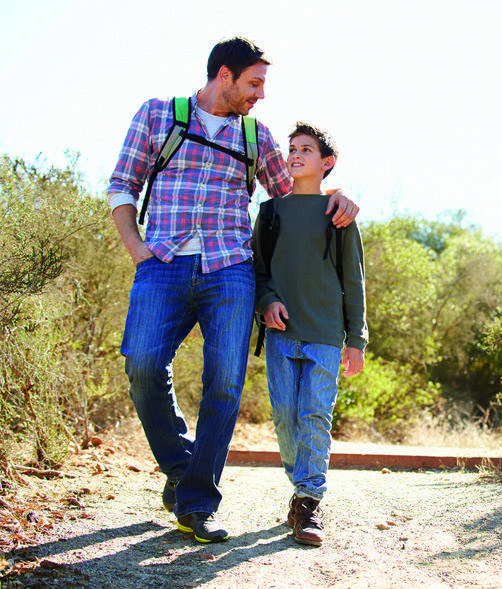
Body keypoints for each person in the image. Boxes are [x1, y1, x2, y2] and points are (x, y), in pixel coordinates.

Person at [106, 37, 358, 544]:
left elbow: (292, 194)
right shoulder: (159, 115)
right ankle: (181, 468)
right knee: (141, 362)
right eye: (254, 83)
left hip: (231, 270)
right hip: (164, 262)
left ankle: (198, 503)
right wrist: (136, 247)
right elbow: (121, 184)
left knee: (224, 385)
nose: (261, 94)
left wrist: (338, 196)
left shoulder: (255, 135)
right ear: (225, 76)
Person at [253, 123, 367, 546]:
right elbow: (258, 271)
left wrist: (356, 340)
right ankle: (299, 485)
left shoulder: (337, 214)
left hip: (324, 333)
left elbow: (353, 280)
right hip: (282, 334)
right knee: (285, 417)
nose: (296, 155)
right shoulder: (270, 213)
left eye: (306, 150)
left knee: (314, 416)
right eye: (292, 149)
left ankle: (309, 501)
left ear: (326, 163)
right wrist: (267, 302)